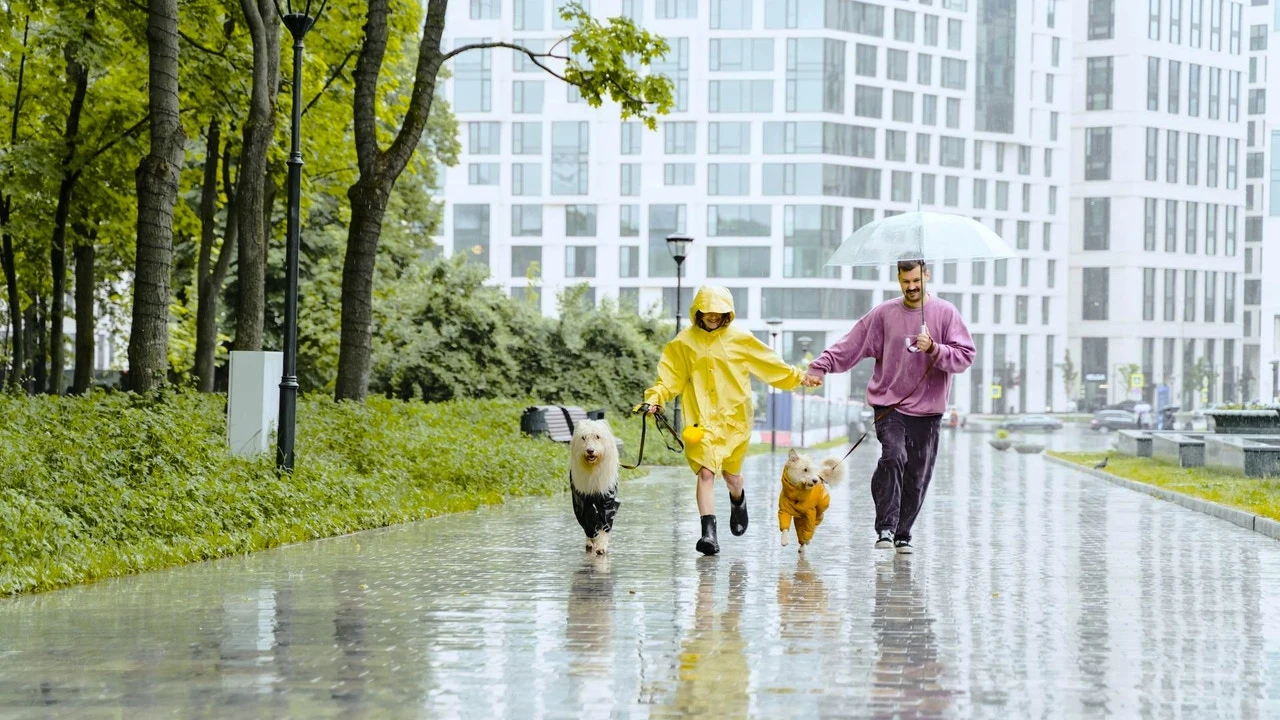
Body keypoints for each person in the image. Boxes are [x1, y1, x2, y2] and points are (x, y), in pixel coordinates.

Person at [801, 259, 975, 554]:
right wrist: (820, 366)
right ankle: (885, 526)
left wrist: (935, 348)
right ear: (898, 279)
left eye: (917, 280)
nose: (912, 287)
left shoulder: (946, 313)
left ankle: (903, 533)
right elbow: (851, 344)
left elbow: (965, 356)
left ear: (927, 276)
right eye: (906, 281)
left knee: (917, 476)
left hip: (929, 411)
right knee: (893, 456)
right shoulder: (884, 314)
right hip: (889, 406)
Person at [644, 286, 805, 555]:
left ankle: (738, 500)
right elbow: (669, 378)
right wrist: (655, 398)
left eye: (719, 313)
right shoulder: (683, 343)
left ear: (727, 313)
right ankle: (709, 534)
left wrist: (800, 377)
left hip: (734, 420)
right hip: (700, 422)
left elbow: (770, 366)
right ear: (699, 311)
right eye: (709, 312)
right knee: (706, 472)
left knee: (731, 477)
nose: (714, 317)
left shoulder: (741, 339)